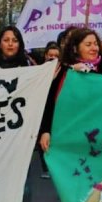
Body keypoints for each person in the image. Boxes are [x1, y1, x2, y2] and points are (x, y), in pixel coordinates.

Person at [38, 28, 102, 202]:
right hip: (70, 138)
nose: (94, 47)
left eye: (96, 43)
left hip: (100, 137)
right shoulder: (62, 72)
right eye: (88, 44)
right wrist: (45, 131)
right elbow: (49, 103)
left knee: (98, 181)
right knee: (75, 183)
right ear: (75, 48)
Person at [0, 26, 38, 202]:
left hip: (21, 130)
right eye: (6, 39)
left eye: (14, 40)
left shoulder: (29, 66)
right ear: (0, 43)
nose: (10, 43)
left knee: (24, 180)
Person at [37, 42, 61, 180]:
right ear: (45, 56)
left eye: (56, 56)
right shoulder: (38, 71)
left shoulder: (65, 73)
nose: (52, 58)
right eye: (50, 55)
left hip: (58, 110)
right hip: (42, 109)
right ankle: (45, 166)